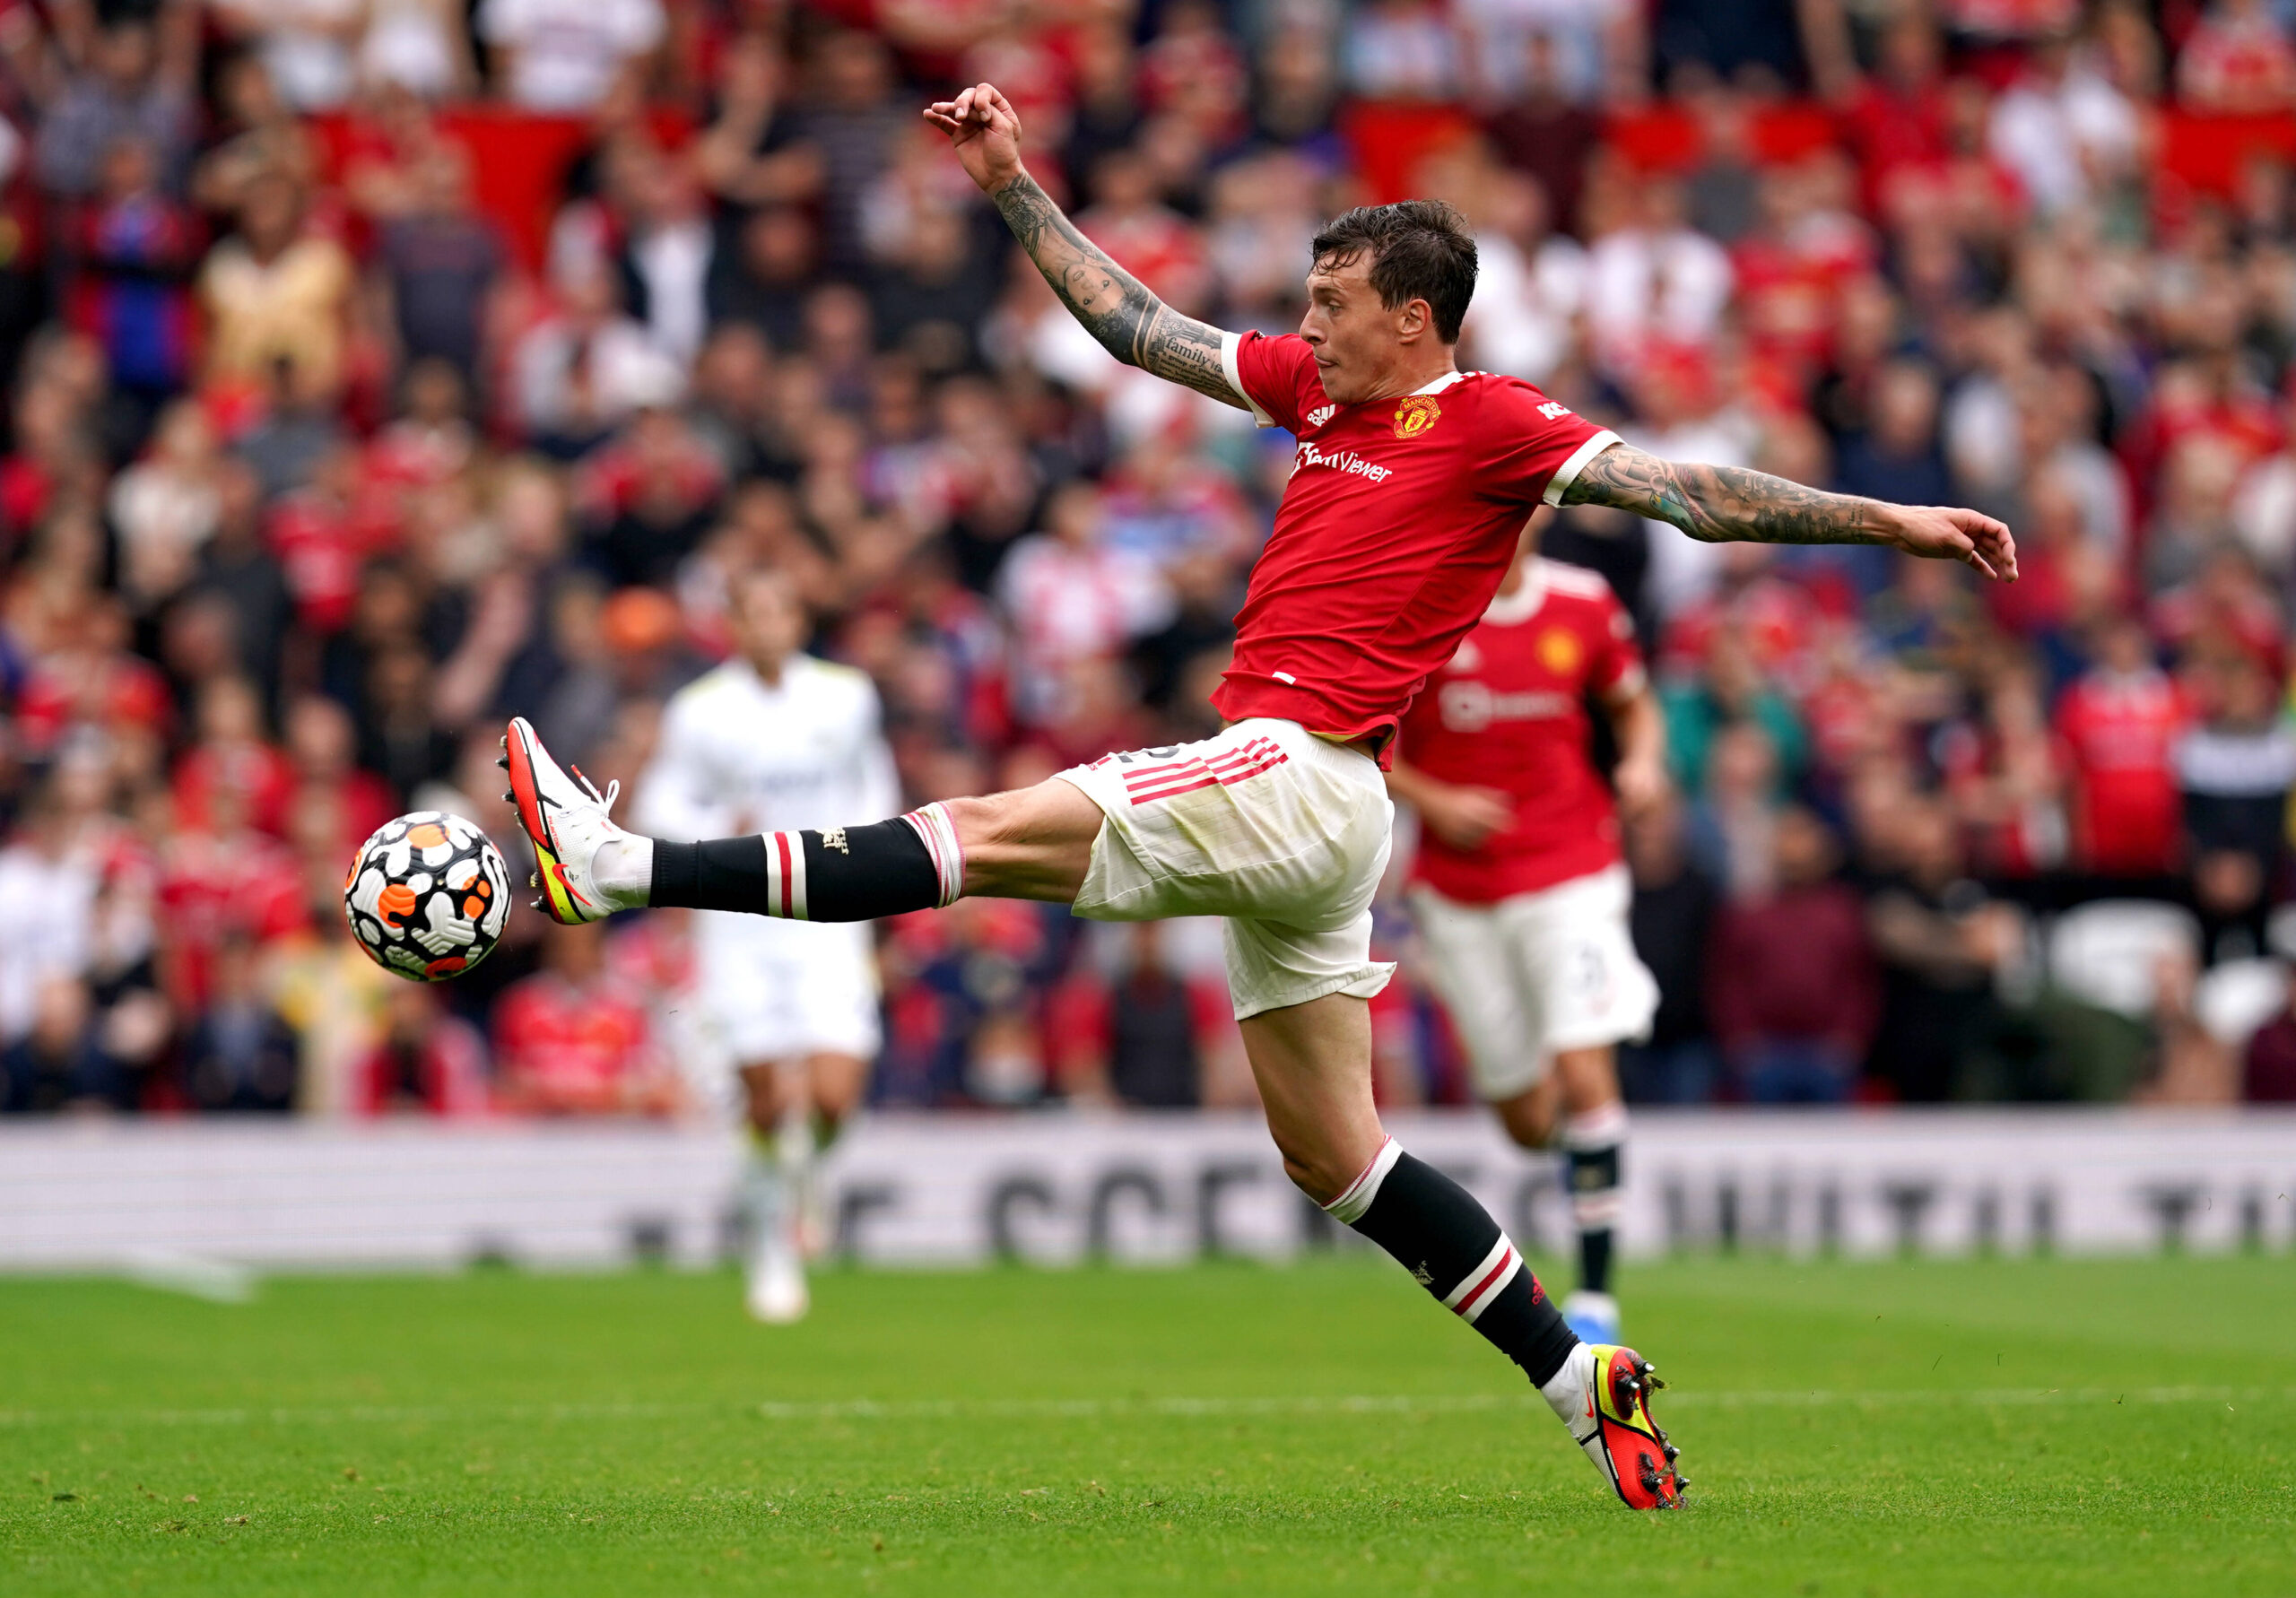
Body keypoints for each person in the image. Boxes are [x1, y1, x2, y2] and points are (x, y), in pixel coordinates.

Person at [498, 82, 2017, 1513]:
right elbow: (1141, 330)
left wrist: (1898, 522)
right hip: (1318, 815)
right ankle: (1578, 1375)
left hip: (1299, 766)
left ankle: (618, 867)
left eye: (1332, 304)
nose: (1305, 326)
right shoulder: (1314, 397)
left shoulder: (1494, 424)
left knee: (982, 833)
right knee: (1338, 1157)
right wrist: (1014, 185)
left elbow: (1693, 494)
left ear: (1413, 319)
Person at [1387, 513, 1665, 1349]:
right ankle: (1578, 1145)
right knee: (1521, 1116)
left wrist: (1643, 761)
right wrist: (1435, 801)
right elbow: (1361, 737)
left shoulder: (1583, 602)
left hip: (1573, 869)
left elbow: (1633, 702)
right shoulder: (1425, 606)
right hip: (1461, 893)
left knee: (1584, 1066)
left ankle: (1597, 1297)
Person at [632, 567, 897, 1324]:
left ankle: (807, 1177)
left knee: (835, 1093)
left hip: (827, 914)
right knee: (763, 1097)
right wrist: (721, 831)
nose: (769, 626)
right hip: (742, 922)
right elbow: (662, 800)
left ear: (799, 620)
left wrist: (864, 873)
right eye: (755, 613)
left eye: (782, 609)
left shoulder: (846, 698)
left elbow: (872, 788)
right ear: (735, 625)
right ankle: (770, 1249)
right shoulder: (701, 711)